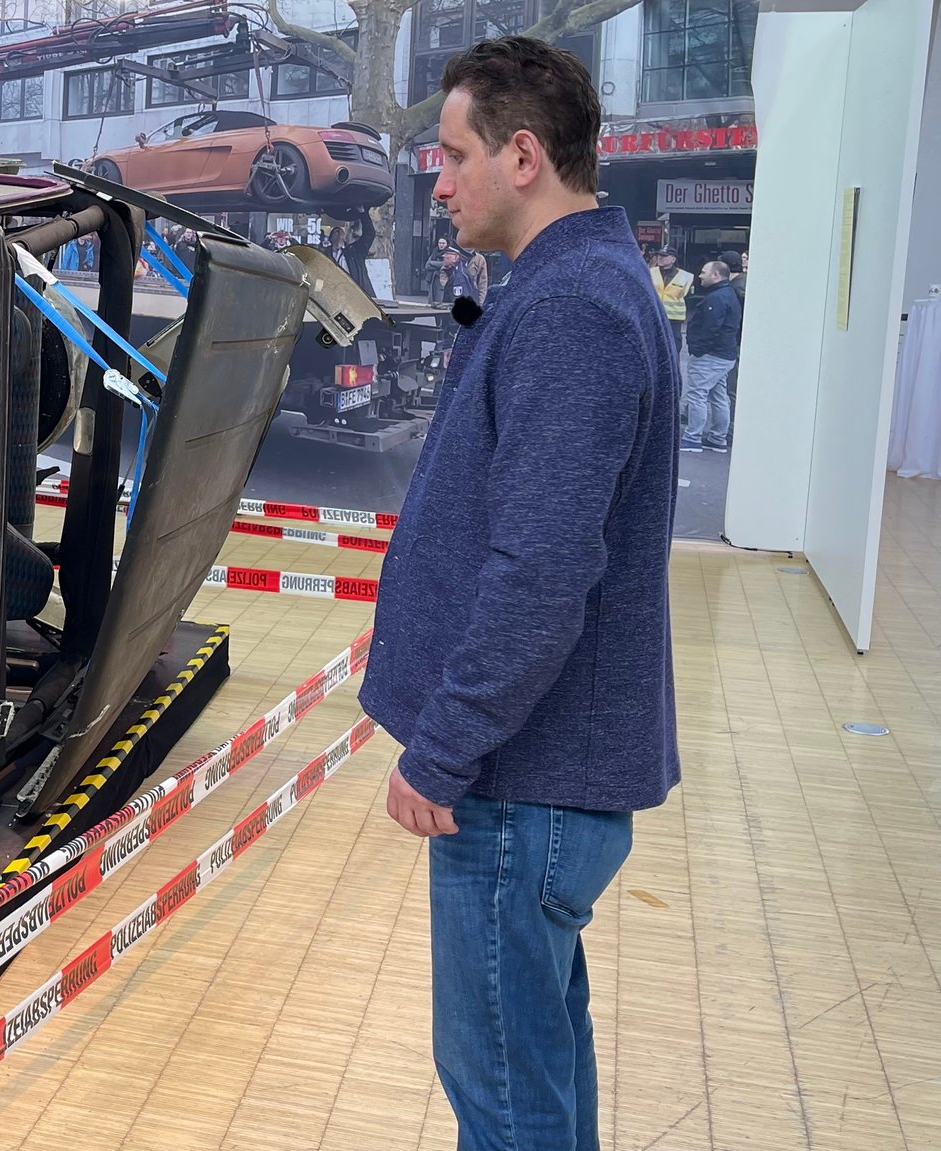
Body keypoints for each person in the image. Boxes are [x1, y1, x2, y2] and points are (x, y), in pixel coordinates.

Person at [362, 35, 679, 1151]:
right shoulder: (567, 284)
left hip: (517, 786)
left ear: (524, 156)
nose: (435, 181)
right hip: (536, 784)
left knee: (500, 1101)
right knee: (533, 1078)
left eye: (450, 156)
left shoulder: (572, 310)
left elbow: (541, 568)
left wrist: (443, 744)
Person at [682, 259, 741, 452]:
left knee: (697, 394)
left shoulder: (716, 298)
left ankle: (692, 437)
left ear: (716, 275)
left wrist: (698, 349)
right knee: (718, 395)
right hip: (724, 354)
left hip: (710, 355)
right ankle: (718, 438)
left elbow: (711, 328)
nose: (700, 276)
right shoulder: (728, 293)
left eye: (703, 272)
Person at [650, 245, 692, 360]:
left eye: (664, 256)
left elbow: (686, 297)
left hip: (674, 320)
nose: (660, 258)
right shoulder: (649, 272)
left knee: (673, 350)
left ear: (673, 259)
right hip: (653, 317)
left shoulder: (686, 277)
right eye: (659, 255)